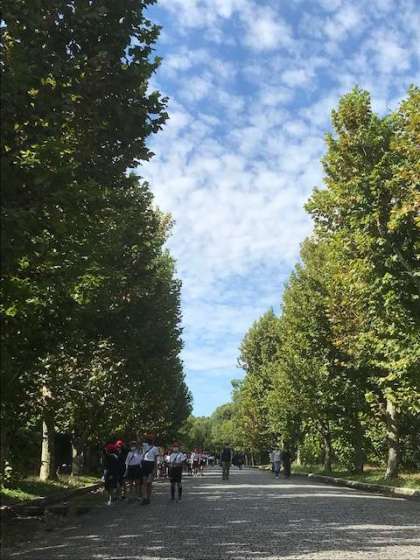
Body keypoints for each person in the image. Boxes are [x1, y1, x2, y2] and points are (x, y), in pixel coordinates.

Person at [141, 435, 160, 505]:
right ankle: (144, 498)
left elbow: (155, 459)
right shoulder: (144, 445)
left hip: (151, 465)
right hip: (144, 464)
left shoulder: (155, 448)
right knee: (144, 482)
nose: (150, 440)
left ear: (153, 440)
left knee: (149, 483)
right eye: (149, 439)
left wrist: (155, 468)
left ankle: (148, 498)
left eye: (151, 439)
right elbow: (138, 440)